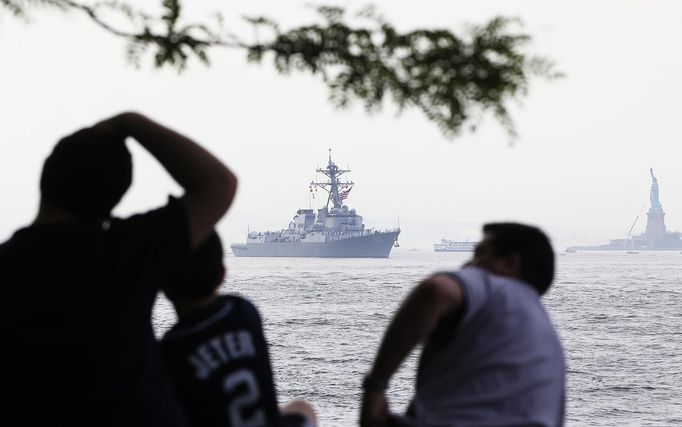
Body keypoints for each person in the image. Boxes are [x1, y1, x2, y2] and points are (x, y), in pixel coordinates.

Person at [1, 112, 237, 426]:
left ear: (46, 175)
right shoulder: (128, 251)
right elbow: (218, 183)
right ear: (114, 198)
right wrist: (130, 122)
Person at [360, 223, 565, 427]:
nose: (468, 265)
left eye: (480, 254)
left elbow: (436, 290)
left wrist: (376, 385)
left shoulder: (494, 285)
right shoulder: (549, 340)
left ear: (510, 263)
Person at [161, 232, 317, 427]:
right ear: (222, 275)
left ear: (162, 283)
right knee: (303, 408)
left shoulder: (170, 348)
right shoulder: (243, 311)